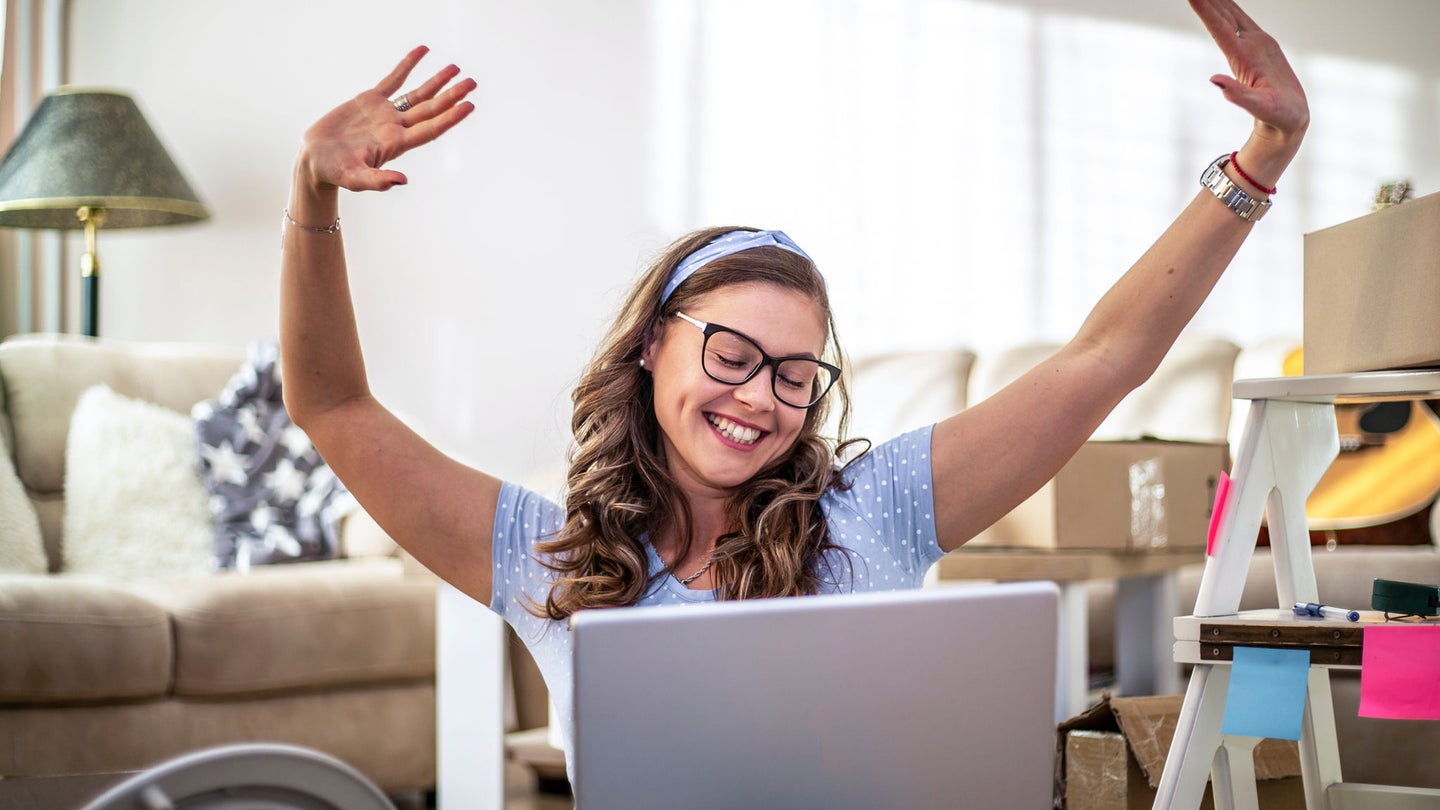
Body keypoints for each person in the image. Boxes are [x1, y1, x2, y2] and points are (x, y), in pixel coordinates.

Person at [280, 0, 1307, 779]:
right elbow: (334, 407)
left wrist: (1260, 160)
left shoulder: (881, 511)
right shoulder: (547, 559)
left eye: (793, 375)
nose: (759, 397)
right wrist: (312, 195)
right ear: (651, 348)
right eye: (729, 355)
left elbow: (1102, 358)